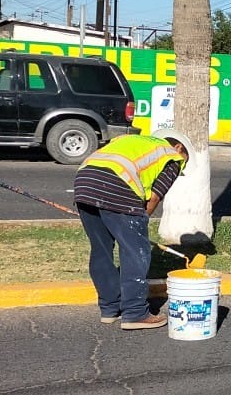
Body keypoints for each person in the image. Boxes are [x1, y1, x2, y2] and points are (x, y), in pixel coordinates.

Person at [74, 131, 191, 329]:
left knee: (101, 249)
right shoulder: (171, 155)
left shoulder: (132, 140)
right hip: (117, 185)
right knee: (136, 251)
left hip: (84, 182)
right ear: (179, 147)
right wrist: (140, 222)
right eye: (184, 163)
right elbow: (155, 197)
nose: (181, 167)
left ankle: (110, 308)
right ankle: (135, 313)